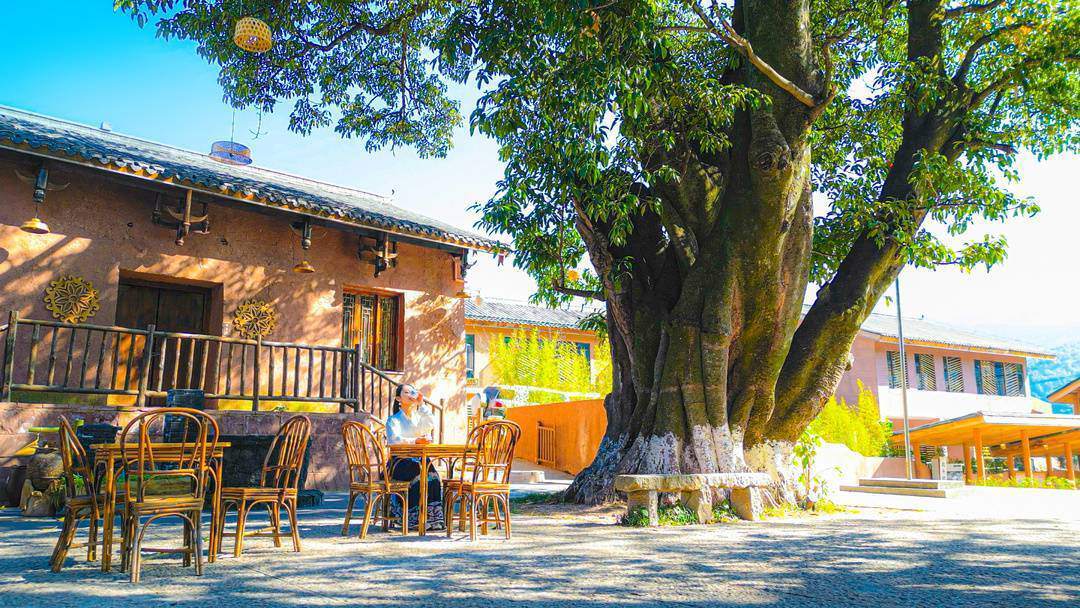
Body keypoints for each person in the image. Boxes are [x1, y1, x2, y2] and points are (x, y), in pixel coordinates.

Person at [384, 384, 443, 531]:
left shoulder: (418, 417)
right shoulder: (393, 420)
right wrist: (415, 441)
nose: (411, 394)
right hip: (399, 462)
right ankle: (413, 519)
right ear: (398, 399)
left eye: (412, 391)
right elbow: (393, 440)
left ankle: (433, 518)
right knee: (418, 476)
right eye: (406, 392)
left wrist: (421, 404)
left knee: (434, 477)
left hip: (419, 459)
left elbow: (430, 424)